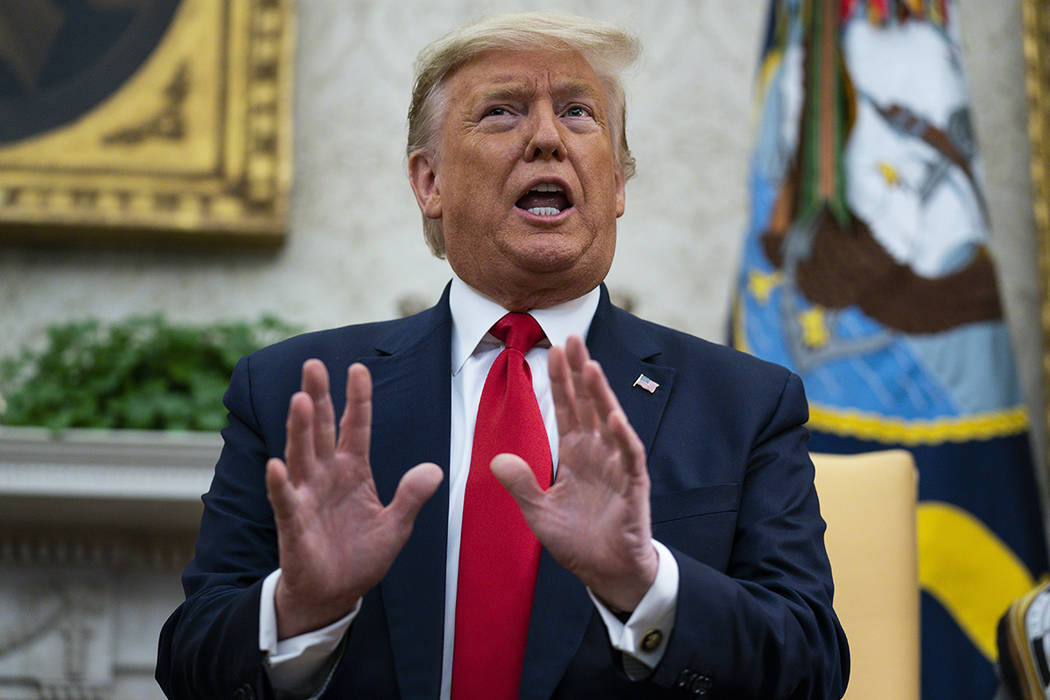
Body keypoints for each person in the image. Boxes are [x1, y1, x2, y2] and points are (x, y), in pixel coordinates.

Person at [156, 11, 849, 700]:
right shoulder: (295, 397)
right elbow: (191, 665)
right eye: (501, 113)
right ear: (429, 182)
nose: (547, 138)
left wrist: (647, 584)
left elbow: (811, 667)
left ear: (617, 186)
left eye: (578, 113)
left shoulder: (744, 404)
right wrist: (299, 608)